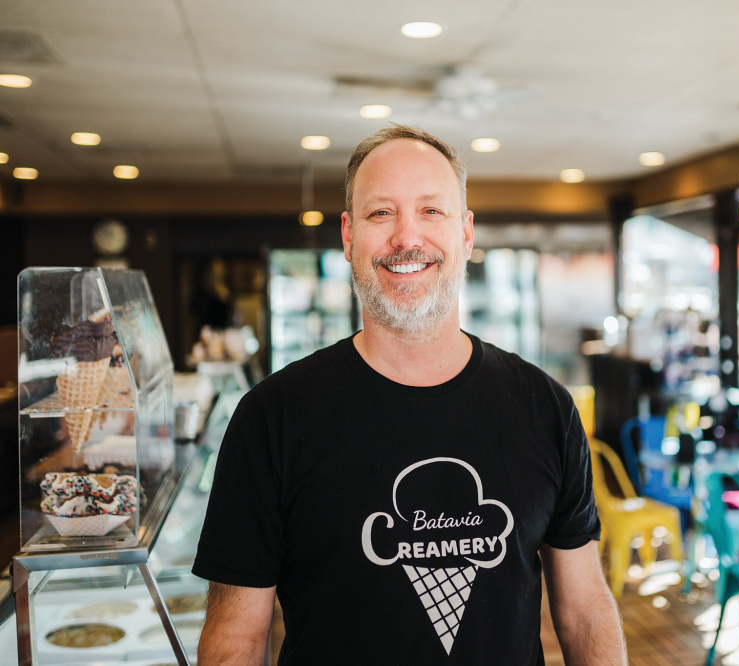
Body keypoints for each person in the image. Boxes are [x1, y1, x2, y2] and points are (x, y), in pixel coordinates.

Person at [193, 125, 627, 665]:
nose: (406, 238)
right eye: (381, 213)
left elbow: (586, 609)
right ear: (349, 236)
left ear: (466, 233)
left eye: (431, 211)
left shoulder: (546, 408)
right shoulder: (271, 416)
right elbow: (235, 638)